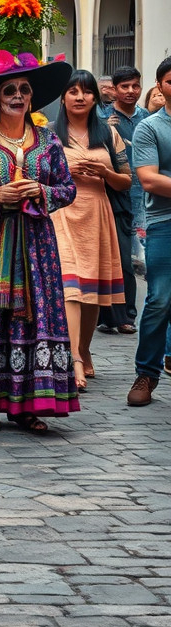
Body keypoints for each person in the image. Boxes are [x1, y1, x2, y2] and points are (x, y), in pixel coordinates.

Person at [0, 50, 77, 432]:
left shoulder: (49, 143)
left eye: (24, 90)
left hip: (37, 246)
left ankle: (28, 404)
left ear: (31, 98)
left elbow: (67, 189)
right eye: (10, 90)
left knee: (35, 315)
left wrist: (41, 190)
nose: (18, 96)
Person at [50, 71, 130, 391]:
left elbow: (126, 181)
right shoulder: (50, 136)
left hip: (97, 212)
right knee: (70, 285)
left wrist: (105, 171)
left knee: (92, 292)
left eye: (86, 92)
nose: (80, 97)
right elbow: (37, 176)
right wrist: (64, 171)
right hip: (62, 213)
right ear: (63, 98)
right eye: (73, 91)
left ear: (96, 97)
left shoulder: (109, 134)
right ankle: (74, 359)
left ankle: (84, 347)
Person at [126, 57, 171, 407]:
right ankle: (147, 372)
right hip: (165, 223)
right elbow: (148, 178)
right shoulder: (151, 127)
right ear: (160, 86)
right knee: (159, 298)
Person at [99, 65, 147, 332]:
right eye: (125, 86)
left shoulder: (148, 118)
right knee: (116, 257)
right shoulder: (103, 118)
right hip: (112, 194)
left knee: (132, 258)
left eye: (135, 86)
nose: (130, 91)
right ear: (114, 89)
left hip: (145, 195)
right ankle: (111, 316)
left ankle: (126, 315)